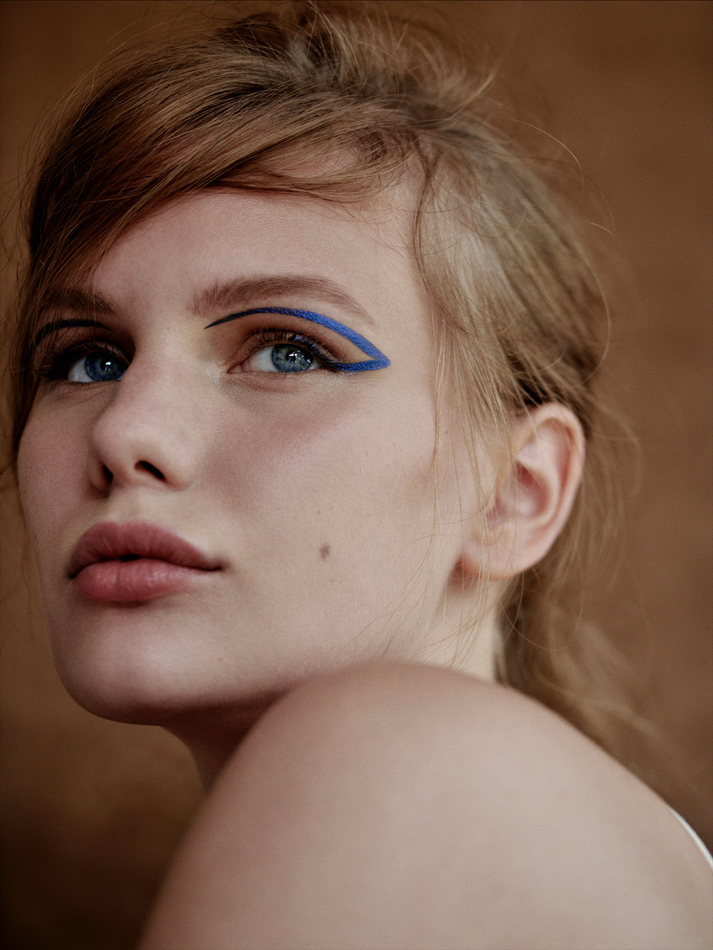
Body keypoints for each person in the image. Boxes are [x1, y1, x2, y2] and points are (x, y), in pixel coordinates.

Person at [6, 2, 712, 947]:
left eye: (288, 351)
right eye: (87, 358)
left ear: (515, 493)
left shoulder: (391, 754)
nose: (125, 430)